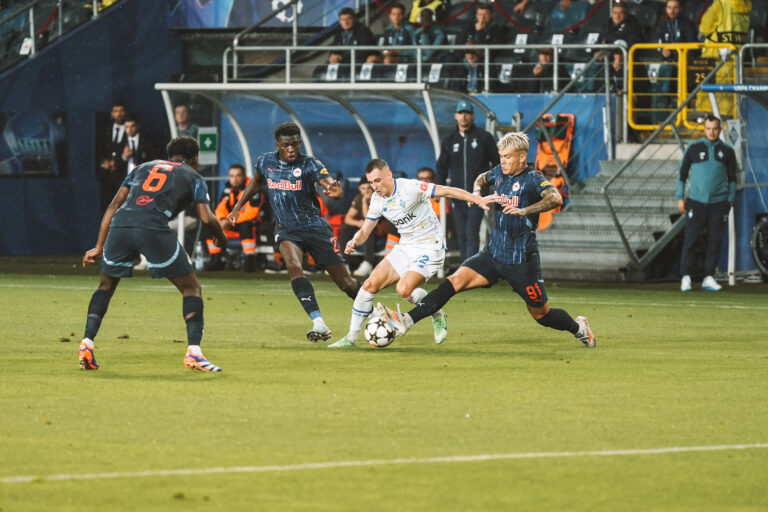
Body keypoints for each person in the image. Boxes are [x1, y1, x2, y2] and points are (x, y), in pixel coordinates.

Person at [376, 132, 596, 349]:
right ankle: (406, 320)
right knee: (453, 282)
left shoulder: (533, 178)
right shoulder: (499, 172)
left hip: (521, 260)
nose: (503, 161)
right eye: (501, 156)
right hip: (492, 254)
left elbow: (555, 198)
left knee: (542, 315)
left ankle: (579, 329)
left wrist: (524, 211)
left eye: (508, 156)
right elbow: (481, 178)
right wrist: (476, 193)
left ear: (522, 157)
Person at [79, 136, 228, 372]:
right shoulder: (194, 176)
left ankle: (86, 343)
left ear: (170, 156)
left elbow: (113, 205)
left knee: (105, 287)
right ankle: (194, 353)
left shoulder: (141, 167)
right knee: (191, 289)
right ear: (195, 158)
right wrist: (221, 237)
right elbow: (207, 218)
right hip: (152, 227)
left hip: (121, 225)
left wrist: (99, 246)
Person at [328, 158, 497, 348]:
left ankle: (436, 311)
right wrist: (354, 240)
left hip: (430, 247)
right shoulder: (377, 200)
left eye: (378, 180)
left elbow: (447, 190)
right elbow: (366, 230)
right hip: (406, 246)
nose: (374, 186)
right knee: (369, 284)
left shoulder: (411, 188)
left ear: (389, 175)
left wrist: (476, 198)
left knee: (404, 290)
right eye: (371, 182)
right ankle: (350, 338)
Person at [227, 122, 362, 342]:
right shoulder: (265, 161)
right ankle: (319, 323)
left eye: (296, 144)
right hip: (287, 229)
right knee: (294, 266)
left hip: (316, 228)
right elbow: (257, 181)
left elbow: (328, 184)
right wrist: (237, 207)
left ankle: (376, 312)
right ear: (277, 145)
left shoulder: (310, 164)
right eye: (287, 145)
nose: (292, 149)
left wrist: (335, 192)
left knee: (345, 283)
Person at [677, 114, 737, 292]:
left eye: (715, 128)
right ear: (704, 129)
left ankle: (708, 277)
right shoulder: (694, 148)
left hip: (719, 203)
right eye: (708, 128)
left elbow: (733, 178)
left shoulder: (727, 151)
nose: (712, 132)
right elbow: (682, 173)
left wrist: (730, 199)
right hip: (695, 202)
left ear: (720, 129)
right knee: (691, 239)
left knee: (715, 240)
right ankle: (686, 277)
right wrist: (680, 197)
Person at [436, 99, 500, 261]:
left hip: (478, 194)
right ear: (455, 116)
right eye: (460, 113)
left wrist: (497, 183)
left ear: (472, 116)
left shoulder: (484, 137)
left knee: (472, 231)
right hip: (457, 195)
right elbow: (442, 167)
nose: (463, 116)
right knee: (462, 233)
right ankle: (465, 267)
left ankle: (469, 268)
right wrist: (438, 189)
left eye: (467, 113)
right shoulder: (449, 141)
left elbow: (497, 163)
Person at [697, 0, 751, 117]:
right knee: (733, 99)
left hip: (716, 58)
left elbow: (704, 27)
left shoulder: (721, 3)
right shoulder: (746, 5)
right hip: (736, 57)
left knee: (712, 101)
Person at [206, 163, 263, 270]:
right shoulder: (227, 190)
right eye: (231, 176)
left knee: (246, 225)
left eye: (238, 175)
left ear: (244, 176)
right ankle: (216, 259)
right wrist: (222, 220)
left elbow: (252, 213)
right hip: (232, 224)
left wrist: (229, 221)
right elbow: (220, 209)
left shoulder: (253, 189)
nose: (234, 179)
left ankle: (250, 260)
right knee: (210, 226)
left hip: (252, 224)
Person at [651, 0, 698, 123]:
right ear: (666, 9)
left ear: (680, 9)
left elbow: (692, 48)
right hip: (668, 66)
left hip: (685, 66)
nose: (672, 11)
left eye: (675, 8)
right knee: (663, 71)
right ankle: (662, 114)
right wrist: (662, 51)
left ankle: (677, 113)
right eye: (669, 8)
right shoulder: (662, 25)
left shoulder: (687, 24)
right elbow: (657, 45)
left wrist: (675, 54)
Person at [339, 179, 378, 278]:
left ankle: (368, 263)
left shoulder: (377, 197)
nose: (367, 191)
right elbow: (348, 218)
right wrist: (357, 223)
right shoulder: (358, 197)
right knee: (345, 229)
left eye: (369, 188)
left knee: (369, 229)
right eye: (363, 188)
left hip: (379, 228)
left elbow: (367, 218)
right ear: (359, 189)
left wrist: (365, 201)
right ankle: (344, 262)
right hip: (366, 225)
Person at [95, 101, 127, 214]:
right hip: (106, 179)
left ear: (125, 113)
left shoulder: (131, 131)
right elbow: (98, 153)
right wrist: (103, 163)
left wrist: (118, 161)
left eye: (121, 111)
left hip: (123, 179)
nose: (119, 114)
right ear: (111, 113)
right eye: (116, 111)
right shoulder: (104, 131)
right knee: (106, 212)